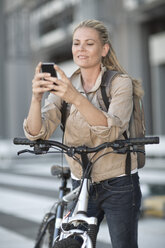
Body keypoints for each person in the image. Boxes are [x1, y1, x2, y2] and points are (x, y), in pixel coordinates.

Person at [24, 19, 144, 248]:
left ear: (104, 49)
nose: (81, 48)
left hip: (119, 183)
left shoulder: (120, 84)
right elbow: (37, 132)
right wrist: (36, 98)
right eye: (76, 43)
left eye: (89, 43)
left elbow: (112, 131)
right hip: (82, 184)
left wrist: (75, 98)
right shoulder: (65, 86)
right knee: (72, 242)